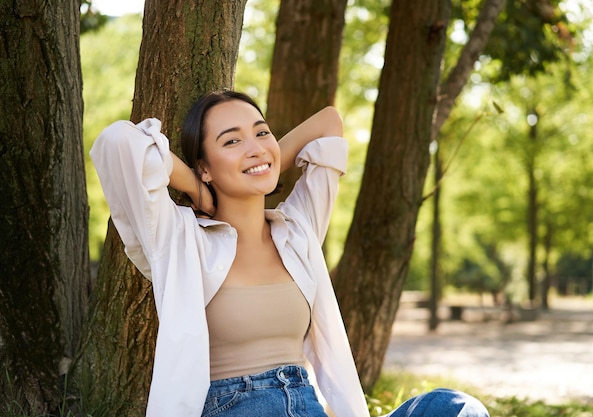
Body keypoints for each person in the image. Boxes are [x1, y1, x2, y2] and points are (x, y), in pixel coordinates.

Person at [90, 90, 490, 417]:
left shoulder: (298, 229)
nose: (254, 146)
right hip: (232, 407)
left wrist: (265, 160)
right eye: (231, 140)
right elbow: (118, 144)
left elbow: (329, 123)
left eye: (261, 132)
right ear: (203, 166)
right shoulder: (179, 239)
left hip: (307, 405)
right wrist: (198, 190)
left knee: (455, 409)